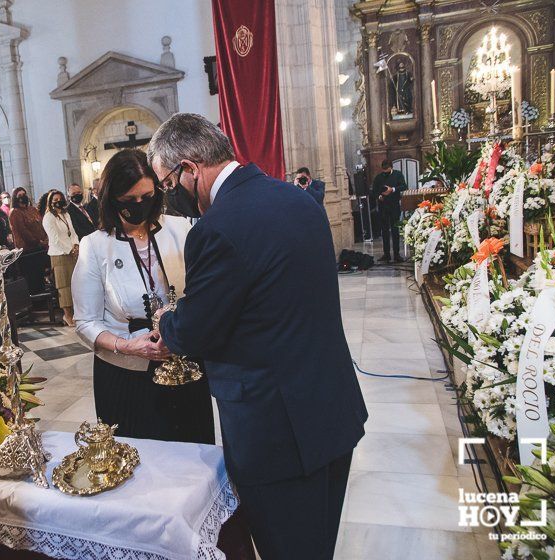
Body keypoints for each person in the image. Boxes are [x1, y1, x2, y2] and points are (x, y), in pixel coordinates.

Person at [147, 113, 367, 560]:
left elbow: (195, 331)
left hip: (277, 433)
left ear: (190, 168)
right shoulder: (298, 198)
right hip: (332, 408)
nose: (168, 196)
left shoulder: (217, 229)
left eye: (167, 183)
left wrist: (167, 317)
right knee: (317, 546)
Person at [71, 149, 214, 444]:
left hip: (185, 364)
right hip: (126, 374)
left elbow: (203, 294)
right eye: (129, 201)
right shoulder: (95, 246)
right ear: (112, 199)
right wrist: (127, 346)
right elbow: (85, 322)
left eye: (146, 197)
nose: (139, 206)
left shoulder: (181, 230)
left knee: (191, 456)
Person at [42, 190, 78, 326]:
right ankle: (67, 315)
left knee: (74, 284)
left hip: (72, 252)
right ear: (50, 202)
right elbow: (54, 238)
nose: (58, 201)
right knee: (64, 286)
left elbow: (72, 232)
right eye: (55, 199)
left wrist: (76, 245)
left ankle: (76, 312)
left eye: (60, 198)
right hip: (59, 254)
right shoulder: (48, 217)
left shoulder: (65, 214)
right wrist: (69, 249)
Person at [8, 186, 50, 294]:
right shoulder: (15, 212)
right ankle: (36, 300)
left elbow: (41, 224)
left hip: (40, 248)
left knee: (40, 274)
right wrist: (37, 241)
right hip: (28, 250)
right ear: (15, 198)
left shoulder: (32, 209)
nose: (23, 197)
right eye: (20, 195)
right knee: (32, 276)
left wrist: (45, 237)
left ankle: (43, 297)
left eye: (24, 194)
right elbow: (23, 231)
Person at [372, 159, 407, 262]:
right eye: (384, 170)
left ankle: (396, 255)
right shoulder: (379, 177)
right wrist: (379, 196)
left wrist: (393, 189)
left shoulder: (398, 174)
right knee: (385, 231)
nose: (385, 172)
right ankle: (386, 254)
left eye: (387, 170)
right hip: (383, 206)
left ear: (391, 167)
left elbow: (404, 186)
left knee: (395, 230)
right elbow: (374, 191)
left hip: (394, 205)